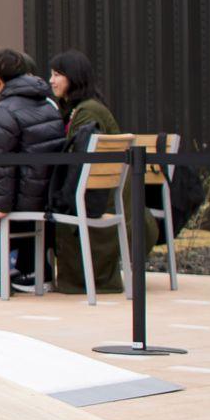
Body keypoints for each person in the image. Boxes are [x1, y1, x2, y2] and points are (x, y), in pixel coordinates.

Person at [0, 49, 65, 294]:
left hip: (29, 197)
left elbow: (3, 166)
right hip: (48, 191)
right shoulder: (48, 104)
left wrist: (2, 208)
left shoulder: (4, 110)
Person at [46, 49, 123, 295]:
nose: (51, 80)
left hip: (93, 199)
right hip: (107, 198)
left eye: (58, 74)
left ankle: (26, 275)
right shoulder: (86, 108)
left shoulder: (87, 113)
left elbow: (73, 166)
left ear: (74, 77)